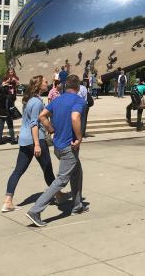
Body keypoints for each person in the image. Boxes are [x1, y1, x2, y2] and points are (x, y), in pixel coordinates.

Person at [26, 74, 87, 227]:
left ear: (66, 86)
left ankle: (77, 205)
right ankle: (35, 210)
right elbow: (75, 118)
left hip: (58, 146)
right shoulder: (79, 100)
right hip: (69, 147)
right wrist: (79, 138)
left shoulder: (57, 99)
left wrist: (51, 129)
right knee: (61, 180)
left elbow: (42, 116)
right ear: (78, 87)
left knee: (77, 172)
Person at [2, 75, 64, 212]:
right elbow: (34, 124)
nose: (48, 84)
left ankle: (8, 201)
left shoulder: (29, 100)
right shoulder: (36, 102)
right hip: (35, 140)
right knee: (47, 170)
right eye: (46, 82)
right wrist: (37, 144)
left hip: (24, 140)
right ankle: (58, 196)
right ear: (38, 85)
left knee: (18, 171)